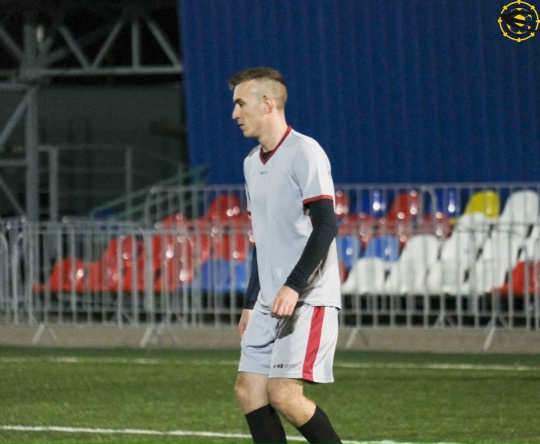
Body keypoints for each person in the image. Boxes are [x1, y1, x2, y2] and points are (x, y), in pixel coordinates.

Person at [229, 67, 343, 444]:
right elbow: (263, 241)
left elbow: (326, 225)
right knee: (249, 391)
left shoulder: (304, 151)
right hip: (269, 300)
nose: (235, 113)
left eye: (240, 104)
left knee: (284, 395)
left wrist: (293, 286)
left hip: (307, 296)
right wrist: (251, 302)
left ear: (267, 104)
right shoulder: (251, 163)